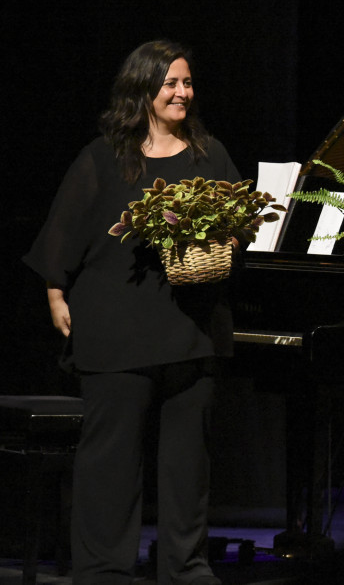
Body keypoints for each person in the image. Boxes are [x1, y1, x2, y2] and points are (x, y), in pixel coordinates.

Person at [23, 40, 239, 584]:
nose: (182, 93)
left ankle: (186, 567)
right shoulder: (103, 157)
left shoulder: (209, 153)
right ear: (142, 89)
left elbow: (237, 225)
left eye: (187, 83)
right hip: (116, 331)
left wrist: (226, 241)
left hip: (190, 331)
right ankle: (102, 571)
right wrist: (55, 294)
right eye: (170, 83)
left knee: (188, 469)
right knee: (111, 466)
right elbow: (63, 235)